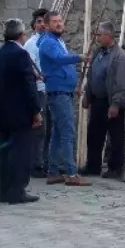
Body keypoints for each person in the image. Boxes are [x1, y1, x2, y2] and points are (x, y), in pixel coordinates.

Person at [0, 19, 42, 204]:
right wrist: (36, 111)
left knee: (5, 152)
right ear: (21, 35)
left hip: (2, 111)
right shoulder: (21, 55)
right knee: (20, 152)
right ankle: (17, 190)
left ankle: (4, 190)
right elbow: (29, 86)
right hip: (20, 113)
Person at [37, 11, 91, 187]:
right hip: (58, 92)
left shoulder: (56, 41)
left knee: (59, 133)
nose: (59, 24)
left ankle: (53, 172)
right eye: (55, 22)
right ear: (46, 25)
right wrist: (79, 57)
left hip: (63, 91)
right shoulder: (48, 42)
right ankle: (71, 173)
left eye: (60, 21)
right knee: (67, 132)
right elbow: (59, 59)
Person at [82, 22, 125, 178]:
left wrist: (116, 104)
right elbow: (91, 75)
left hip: (111, 102)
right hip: (97, 101)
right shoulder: (98, 53)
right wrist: (87, 95)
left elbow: (122, 83)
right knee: (94, 135)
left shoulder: (120, 57)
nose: (96, 38)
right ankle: (93, 166)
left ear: (108, 36)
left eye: (99, 35)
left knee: (115, 137)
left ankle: (115, 168)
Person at [22, 9, 51, 177]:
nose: (42, 25)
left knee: (50, 130)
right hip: (39, 91)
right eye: (39, 21)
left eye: (44, 22)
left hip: (50, 90)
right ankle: (35, 164)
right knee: (39, 130)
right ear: (34, 25)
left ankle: (47, 162)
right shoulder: (31, 44)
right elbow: (29, 70)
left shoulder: (52, 42)